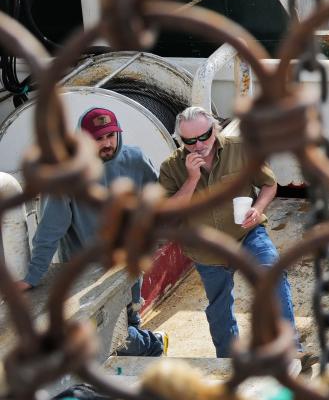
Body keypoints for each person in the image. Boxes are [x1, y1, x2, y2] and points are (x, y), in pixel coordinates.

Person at [16, 107, 169, 357]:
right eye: (98, 138)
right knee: (110, 337)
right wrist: (32, 276)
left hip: (130, 265)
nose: (107, 143)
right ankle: (155, 344)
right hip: (88, 274)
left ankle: (142, 351)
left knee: (131, 322)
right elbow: (49, 230)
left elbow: (157, 204)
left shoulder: (136, 159)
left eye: (111, 135)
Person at [158, 106, 302, 360]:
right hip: (207, 248)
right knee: (220, 308)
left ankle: (291, 351)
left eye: (204, 136)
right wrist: (191, 179)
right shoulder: (171, 167)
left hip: (246, 234)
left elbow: (269, 185)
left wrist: (257, 209)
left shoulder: (241, 149)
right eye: (189, 141)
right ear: (181, 140)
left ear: (215, 128)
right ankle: (229, 361)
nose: (198, 145)